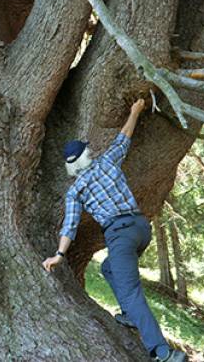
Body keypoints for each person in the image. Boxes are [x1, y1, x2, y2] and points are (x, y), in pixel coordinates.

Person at [42, 99, 187, 362]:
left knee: (132, 293)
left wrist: (59, 255)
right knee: (108, 268)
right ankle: (130, 316)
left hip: (120, 235)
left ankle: (163, 353)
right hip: (141, 229)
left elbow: (70, 226)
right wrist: (134, 111)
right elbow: (124, 136)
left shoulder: (75, 190)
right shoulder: (108, 161)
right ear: (87, 155)